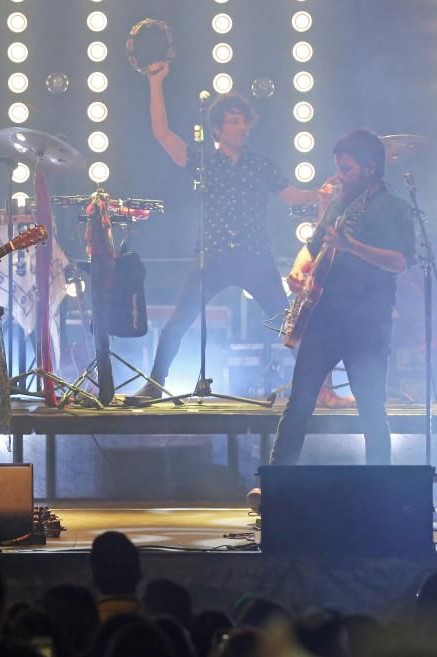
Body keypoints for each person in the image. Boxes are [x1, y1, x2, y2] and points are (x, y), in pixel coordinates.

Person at [134, 61, 321, 399]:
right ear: (217, 129)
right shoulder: (204, 160)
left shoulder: (261, 165)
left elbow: (296, 196)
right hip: (213, 255)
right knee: (179, 321)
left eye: (245, 121)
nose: (242, 127)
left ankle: (317, 387)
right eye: (234, 121)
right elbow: (162, 134)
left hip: (255, 257)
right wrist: (155, 84)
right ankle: (155, 384)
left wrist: (323, 192)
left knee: (287, 323)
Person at [268, 129, 414, 466]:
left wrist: (353, 247)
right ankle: (277, 481)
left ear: (370, 168)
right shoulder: (338, 202)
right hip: (324, 317)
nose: (339, 176)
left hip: (367, 323)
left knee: (371, 409)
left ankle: (380, 487)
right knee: (300, 402)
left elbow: (400, 261)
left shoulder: (394, 208)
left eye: (346, 169)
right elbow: (314, 246)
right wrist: (299, 270)